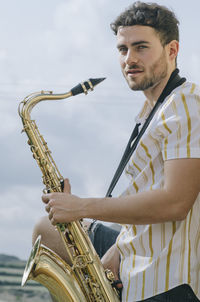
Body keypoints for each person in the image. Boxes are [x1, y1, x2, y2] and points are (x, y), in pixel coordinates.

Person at [33, 2, 200, 301]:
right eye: (123, 49)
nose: (129, 59)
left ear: (172, 49)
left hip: (169, 282)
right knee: (48, 230)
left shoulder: (186, 104)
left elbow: (176, 202)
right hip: (140, 261)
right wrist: (119, 248)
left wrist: (81, 207)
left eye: (141, 47)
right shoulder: (151, 110)